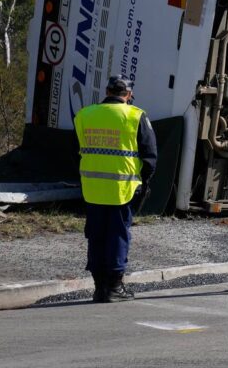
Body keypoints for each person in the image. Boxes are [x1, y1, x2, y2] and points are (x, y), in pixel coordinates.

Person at [75, 76, 157, 303]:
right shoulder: (135, 115)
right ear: (128, 95)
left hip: (92, 188)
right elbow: (150, 155)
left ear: (107, 91)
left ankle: (99, 287)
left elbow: (81, 147)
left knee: (96, 236)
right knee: (118, 236)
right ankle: (114, 287)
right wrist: (145, 181)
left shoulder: (85, 114)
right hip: (122, 189)